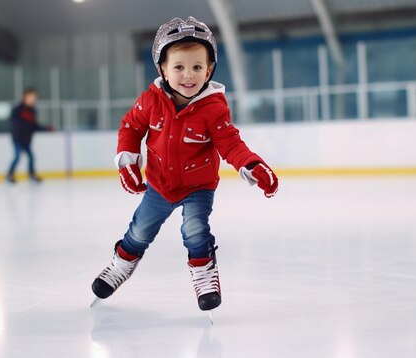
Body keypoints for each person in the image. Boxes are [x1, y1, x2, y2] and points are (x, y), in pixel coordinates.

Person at [91, 17, 279, 312]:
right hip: (159, 185)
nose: (188, 75)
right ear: (162, 69)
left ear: (209, 70)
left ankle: (204, 275)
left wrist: (252, 164)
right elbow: (130, 127)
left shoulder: (214, 108)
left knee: (195, 230)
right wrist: (127, 160)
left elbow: (230, 143)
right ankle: (121, 266)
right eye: (179, 67)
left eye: (197, 67)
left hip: (198, 187)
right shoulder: (150, 101)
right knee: (139, 232)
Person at [6, 88, 50, 184]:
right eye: (32, 97)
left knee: (31, 157)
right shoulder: (17, 110)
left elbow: (33, 126)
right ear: (26, 97)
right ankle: (9, 176)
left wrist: (45, 129)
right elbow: (14, 124)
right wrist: (21, 132)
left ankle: (32, 176)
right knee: (17, 157)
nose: (34, 100)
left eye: (35, 98)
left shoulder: (32, 111)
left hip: (27, 140)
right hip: (18, 139)